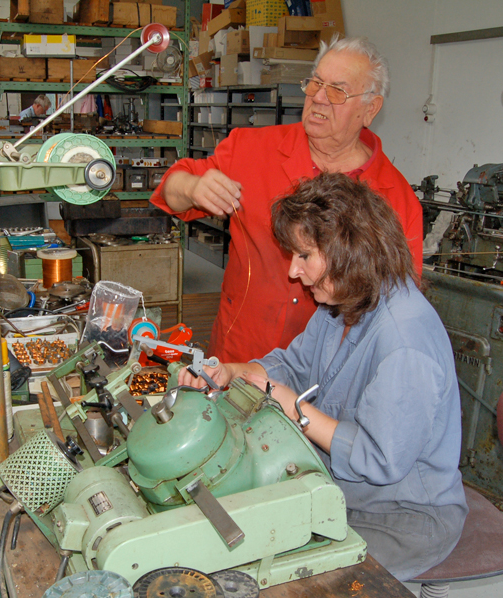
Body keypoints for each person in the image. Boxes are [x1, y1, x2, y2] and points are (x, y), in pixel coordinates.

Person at [178, 173, 466, 582]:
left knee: (291, 578)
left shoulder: (405, 343)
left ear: (349, 253)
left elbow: (377, 459)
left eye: (304, 256)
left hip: (403, 516)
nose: (294, 271)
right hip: (338, 488)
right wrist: (231, 372)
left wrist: (292, 408)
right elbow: (292, 365)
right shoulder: (345, 303)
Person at [151, 36, 423, 363]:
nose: (319, 98)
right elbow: (170, 188)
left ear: (370, 109)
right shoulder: (251, 148)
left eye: (337, 90)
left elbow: (398, 308)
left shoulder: (396, 200)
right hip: (237, 358)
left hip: (322, 378)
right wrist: (193, 187)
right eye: (315, 83)